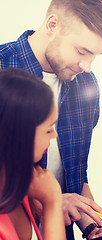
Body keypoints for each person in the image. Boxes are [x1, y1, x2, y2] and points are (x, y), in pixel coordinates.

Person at [0, 0, 102, 238]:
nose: (87, 65)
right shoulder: (3, 69)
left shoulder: (87, 85)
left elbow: (76, 173)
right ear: (53, 24)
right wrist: (52, 201)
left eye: (95, 55)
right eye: (82, 51)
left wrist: (92, 227)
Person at [0, 68, 65, 240]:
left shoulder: (22, 188)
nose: (54, 135)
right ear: (20, 133)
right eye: (49, 129)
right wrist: (52, 204)